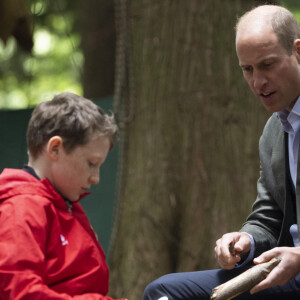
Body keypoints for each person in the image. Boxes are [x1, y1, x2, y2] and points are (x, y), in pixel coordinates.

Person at [143, 4, 300, 300]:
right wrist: (246, 240)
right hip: (279, 272)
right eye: (247, 69)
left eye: (267, 65)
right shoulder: (273, 132)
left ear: (298, 51)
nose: (257, 82)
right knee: (163, 293)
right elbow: (269, 217)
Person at [0, 92, 126, 299]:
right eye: (91, 164)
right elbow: (19, 293)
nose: (96, 178)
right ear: (56, 149)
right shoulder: (21, 209)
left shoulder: (64, 202)